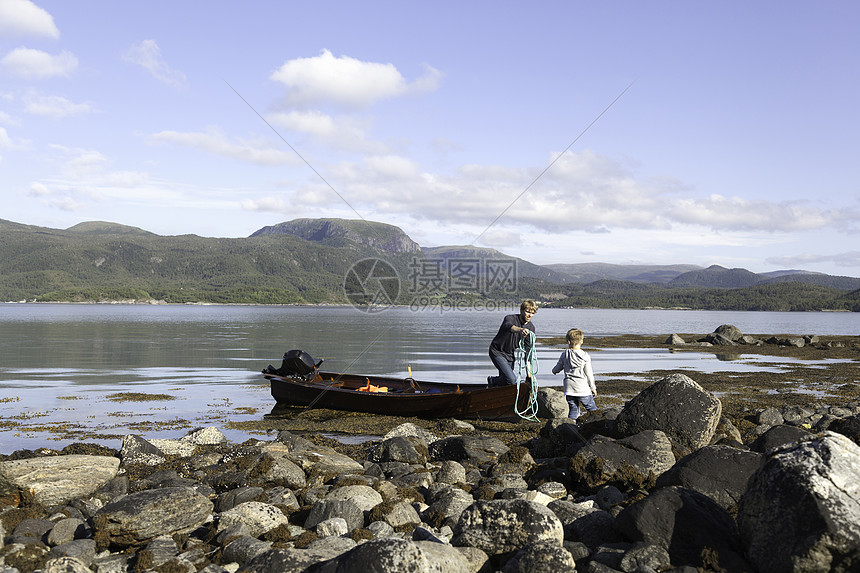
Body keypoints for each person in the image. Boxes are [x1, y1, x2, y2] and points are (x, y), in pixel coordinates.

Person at [488, 299, 537, 386]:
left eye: (532, 313)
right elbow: (508, 326)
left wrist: (529, 375)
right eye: (527, 312)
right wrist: (520, 330)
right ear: (521, 310)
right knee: (511, 379)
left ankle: (496, 389)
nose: (530, 315)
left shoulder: (531, 328)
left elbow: (528, 353)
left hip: (510, 355)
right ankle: (493, 380)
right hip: (497, 351)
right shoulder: (510, 318)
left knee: (507, 382)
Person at [552, 328, 597, 421]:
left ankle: (571, 425)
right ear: (582, 341)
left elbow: (558, 367)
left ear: (568, 342)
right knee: (592, 409)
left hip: (570, 388)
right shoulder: (585, 356)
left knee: (573, 409)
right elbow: (589, 374)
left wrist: (554, 371)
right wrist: (593, 388)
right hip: (582, 388)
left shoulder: (565, 354)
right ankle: (597, 423)